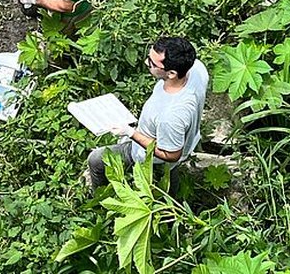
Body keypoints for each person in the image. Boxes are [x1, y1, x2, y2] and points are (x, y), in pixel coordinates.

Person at [87, 37, 209, 195]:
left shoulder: (171, 115)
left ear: (172, 73)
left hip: (153, 160)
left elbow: (171, 155)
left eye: (152, 63)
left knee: (96, 161)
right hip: (183, 140)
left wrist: (130, 133)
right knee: (170, 183)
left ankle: (101, 200)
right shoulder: (197, 69)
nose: (146, 63)